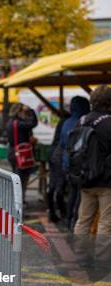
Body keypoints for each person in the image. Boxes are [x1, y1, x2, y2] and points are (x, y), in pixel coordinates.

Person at [73, 85, 111, 243]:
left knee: (83, 220)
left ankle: (81, 255)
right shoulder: (109, 122)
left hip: (85, 178)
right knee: (106, 222)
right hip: (106, 180)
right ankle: (102, 260)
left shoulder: (81, 121)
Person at [47, 96, 90, 224]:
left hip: (59, 157)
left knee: (59, 188)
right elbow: (72, 145)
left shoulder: (67, 121)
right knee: (70, 191)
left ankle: (60, 214)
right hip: (69, 161)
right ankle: (67, 217)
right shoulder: (78, 122)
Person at [6, 102, 38, 203]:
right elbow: (33, 123)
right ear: (19, 111)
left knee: (17, 179)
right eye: (23, 112)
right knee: (21, 180)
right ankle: (18, 203)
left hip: (13, 152)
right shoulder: (18, 123)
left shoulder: (11, 122)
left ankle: (19, 201)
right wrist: (31, 110)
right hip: (20, 155)